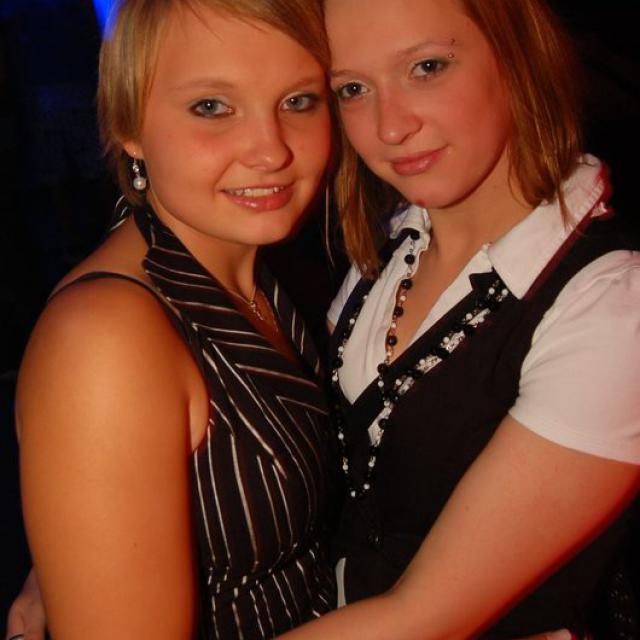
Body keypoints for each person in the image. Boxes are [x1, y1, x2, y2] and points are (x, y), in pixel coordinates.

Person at [276, 0, 640, 638]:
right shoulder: (390, 249)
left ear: (517, 57)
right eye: (353, 89)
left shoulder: (612, 305)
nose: (390, 127)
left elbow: (419, 619)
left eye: (427, 67)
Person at [9, 0, 337, 638]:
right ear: (129, 123)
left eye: (298, 101)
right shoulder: (103, 339)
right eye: (211, 106)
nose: (270, 150)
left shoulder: (255, 264)